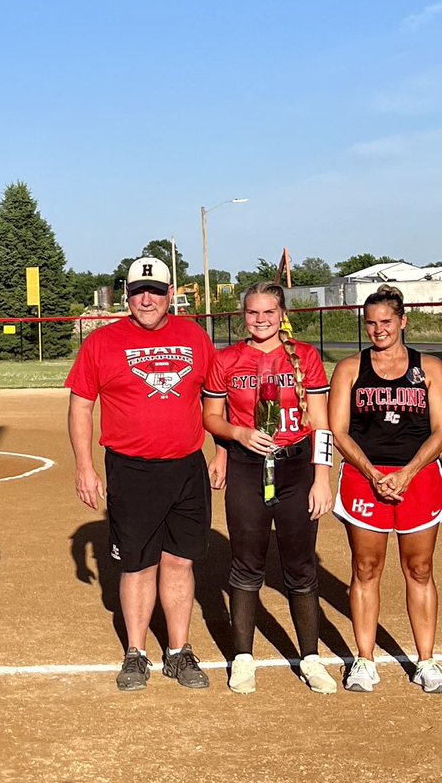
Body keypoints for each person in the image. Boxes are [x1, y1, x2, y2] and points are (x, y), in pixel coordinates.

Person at [66, 257, 216, 691]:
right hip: (131, 469)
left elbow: (215, 397)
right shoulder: (102, 342)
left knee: (179, 560)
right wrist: (84, 466)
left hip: (187, 466)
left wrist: (220, 451)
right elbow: (80, 405)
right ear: (126, 296)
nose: (145, 299)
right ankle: (136, 653)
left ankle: (178, 651)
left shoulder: (194, 336)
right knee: (137, 564)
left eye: (154, 290)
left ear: (171, 293)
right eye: (137, 291)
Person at [202, 282, 336, 694]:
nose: (260, 320)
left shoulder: (306, 357)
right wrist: (237, 437)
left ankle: (310, 657)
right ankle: (243, 658)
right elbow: (211, 416)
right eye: (252, 313)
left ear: (282, 315)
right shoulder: (227, 359)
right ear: (242, 315)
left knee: (300, 567)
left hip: (295, 470)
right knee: (246, 565)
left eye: (268, 313)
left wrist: (323, 478)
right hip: (247, 467)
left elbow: (323, 423)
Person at [329, 285, 442, 693]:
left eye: (386, 322)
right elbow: (339, 431)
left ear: (403, 321)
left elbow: (441, 431)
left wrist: (408, 472)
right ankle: (364, 660)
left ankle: (427, 661)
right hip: (365, 477)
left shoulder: (428, 368)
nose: (379, 330)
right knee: (365, 568)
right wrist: (374, 473)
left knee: (420, 569)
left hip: (419, 476)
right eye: (372, 322)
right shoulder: (350, 369)